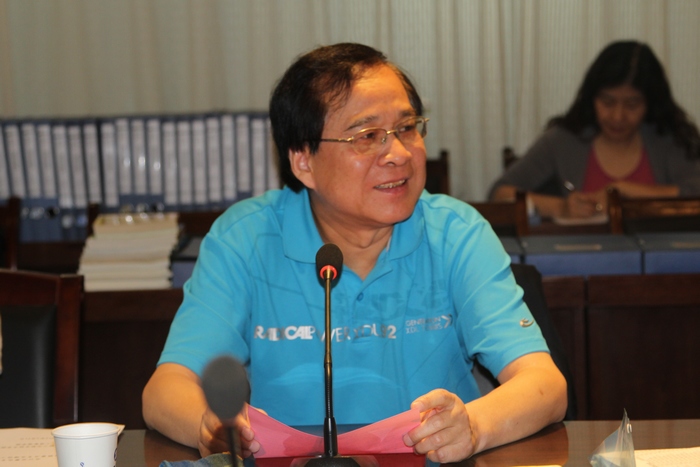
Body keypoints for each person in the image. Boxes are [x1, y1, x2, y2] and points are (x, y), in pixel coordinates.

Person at [142, 42, 566, 464]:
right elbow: (166, 388)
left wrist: (472, 426)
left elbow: (544, 384)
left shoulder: (457, 234)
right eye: (367, 137)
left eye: (407, 128)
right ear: (303, 161)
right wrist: (211, 425)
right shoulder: (246, 239)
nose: (399, 154)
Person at [489, 40, 700, 219]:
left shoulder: (669, 139)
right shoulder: (563, 140)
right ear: (592, 98)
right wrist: (560, 208)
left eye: (632, 104)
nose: (618, 116)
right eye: (607, 102)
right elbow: (500, 194)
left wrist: (624, 191)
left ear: (650, 104)